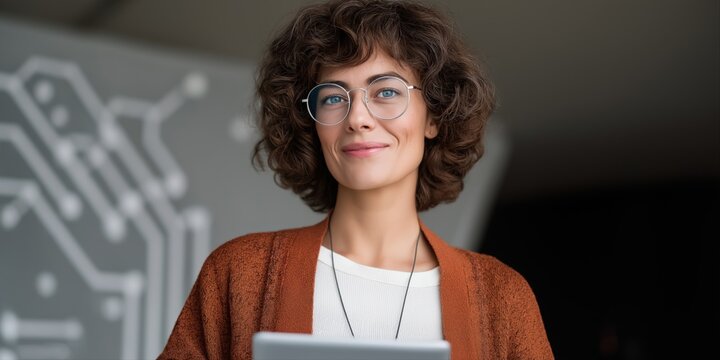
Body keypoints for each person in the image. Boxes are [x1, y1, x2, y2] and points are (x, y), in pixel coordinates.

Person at [159, 0, 553, 359]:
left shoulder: (501, 297)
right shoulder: (239, 272)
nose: (357, 118)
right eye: (333, 97)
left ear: (433, 116)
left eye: (385, 92)